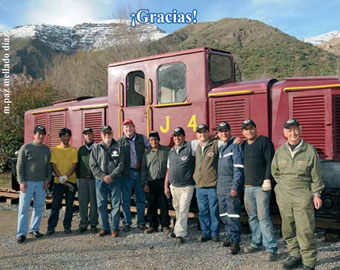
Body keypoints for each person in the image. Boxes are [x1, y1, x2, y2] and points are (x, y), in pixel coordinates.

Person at [271, 119, 324, 270]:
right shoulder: (280, 151)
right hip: (284, 195)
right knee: (288, 228)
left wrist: (316, 194)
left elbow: (316, 176)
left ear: (300, 131)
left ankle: (309, 262)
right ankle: (295, 255)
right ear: (285, 133)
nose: (292, 133)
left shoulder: (309, 150)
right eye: (289, 130)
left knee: (305, 229)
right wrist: (281, 187)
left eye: (295, 129)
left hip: (302, 194)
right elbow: (275, 171)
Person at [241, 119, 278, 261]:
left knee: (263, 217)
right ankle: (256, 242)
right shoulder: (243, 145)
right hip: (247, 187)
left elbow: (270, 161)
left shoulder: (264, 142)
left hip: (261, 187)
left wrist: (267, 178)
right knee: (252, 217)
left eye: (251, 128)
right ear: (243, 132)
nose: (249, 131)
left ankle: (271, 248)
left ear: (255, 129)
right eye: (246, 129)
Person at [16, 125, 52, 243]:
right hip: (27, 183)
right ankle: (21, 233)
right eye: (38, 133)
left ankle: (34, 229)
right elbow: (19, 166)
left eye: (43, 134)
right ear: (34, 134)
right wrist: (21, 182)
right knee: (23, 209)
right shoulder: (25, 148)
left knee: (39, 207)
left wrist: (48, 179)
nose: (40, 136)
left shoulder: (46, 149)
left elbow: (48, 166)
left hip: (41, 183)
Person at [89, 125, 125, 237]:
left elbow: (121, 164)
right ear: (101, 135)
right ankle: (104, 227)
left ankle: (114, 228)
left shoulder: (118, 147)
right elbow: (92, 165)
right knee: (101, 204)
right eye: (104, 134)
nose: (107, 135)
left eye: (109, 133)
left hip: (115, 180)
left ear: (112, 134)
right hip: (100, 180)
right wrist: (103, 176)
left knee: (115, 204)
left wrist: (112, 176)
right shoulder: (95, 148)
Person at [216, 122, 244, 255]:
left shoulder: (235, 146)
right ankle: (229, 235)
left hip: (230, 186)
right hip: (221, 186)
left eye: (226, 131)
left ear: (230, 131)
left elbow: (238, 168)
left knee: (233, 214)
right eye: (221, 131)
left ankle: (235, 242)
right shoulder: (222, 147)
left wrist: (235, 186)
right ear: (218, 134)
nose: (224, 133)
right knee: (223, 214)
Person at [164, 127, 196, 244]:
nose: (177, 138)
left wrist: (216, 136)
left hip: (186, 186)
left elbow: (205, 141)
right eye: (175, 136)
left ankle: (180, 234)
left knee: (183, 209)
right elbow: (168, 169)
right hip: (174, 186)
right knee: (177, 209)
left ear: (184, 137)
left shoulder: (190, 147)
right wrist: (166, 185)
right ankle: (178, 229)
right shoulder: (171, 151)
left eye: (179, 135)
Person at [118, 119, 149, 231]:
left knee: (141, 198)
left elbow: (151, 149)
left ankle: (141, 222)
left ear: (134, 127)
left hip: (140, 172)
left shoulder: (142, 138)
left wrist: (145, 161)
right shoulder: (120, 142)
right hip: (126, 174)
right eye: (126, 127)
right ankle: (127, 223)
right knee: (125, 199)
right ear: (123, 129)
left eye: (130, 126)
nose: (128, 129)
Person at [47, 128, 78, 235]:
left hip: (71, 182)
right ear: (60, 137)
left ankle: (67, 226)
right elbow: (53, 165)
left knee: (69, 206)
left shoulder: (74, 150)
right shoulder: (55, 150)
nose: (66, 138)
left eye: (68, 136)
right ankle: (51, 227)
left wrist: (65, 177)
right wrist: (60, 178)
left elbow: (74, 166)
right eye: (64, 136)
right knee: (55, 206)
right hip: (58, 183)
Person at [193, 124, 220, 243]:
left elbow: (226, 141)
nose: (202, 134)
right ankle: (205, 233)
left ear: (208, 133)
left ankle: (214, 233)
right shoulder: (197, 146)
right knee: (202, 210)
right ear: (197, 135)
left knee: (213, 210)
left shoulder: (215, 145)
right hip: (199, 185)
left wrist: (236, 139)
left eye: (204, 132)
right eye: (199, 132)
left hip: (212, 184)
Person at [141, 131, 170, 234]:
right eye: (151, 140)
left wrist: (167, 183)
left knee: (164, 204)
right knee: (151, 205)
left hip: (162, 181)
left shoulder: (166, 150)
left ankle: (165, 225)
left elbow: (169, 166)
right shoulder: (146, 154)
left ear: (159, 140)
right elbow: (144, 170)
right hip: (150, 182)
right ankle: (153, 225)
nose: (154, 141)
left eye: (155, 139)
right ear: (149, 141)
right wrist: (145, 184)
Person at [76, 128, 98, 234]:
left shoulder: (98, 148)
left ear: (93, 135)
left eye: (90, 134)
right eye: (86, 135)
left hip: (94, 179)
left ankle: (94, 223)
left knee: (94, 203)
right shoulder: (81, 150)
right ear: (83, 136)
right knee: (83, 202)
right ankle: (83, 223)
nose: (88, 136)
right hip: (83, 179)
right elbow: (78, 165)